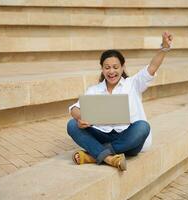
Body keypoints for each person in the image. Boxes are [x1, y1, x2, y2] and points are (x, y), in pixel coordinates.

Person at [67, 32, 173, 171]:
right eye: (107, 67)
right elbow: (74, 108)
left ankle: (95, 155)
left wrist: (164, 48)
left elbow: (152, 67)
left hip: (127, 138)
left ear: (122, 67)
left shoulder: (133, 84)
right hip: (102, 135)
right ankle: (109, 157)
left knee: (143, 127)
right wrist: (80, 117)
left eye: (116, 67)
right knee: (72, 125)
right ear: (102, 69)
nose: (111, 71)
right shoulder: (94, 90)